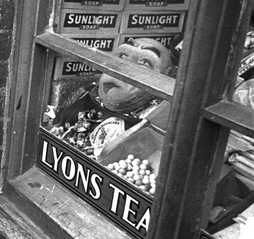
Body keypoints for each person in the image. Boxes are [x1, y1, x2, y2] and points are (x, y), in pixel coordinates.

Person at [46, 38, 176, 159]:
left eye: (144, 64)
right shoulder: (85, 92)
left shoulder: (156, 123)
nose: (123, 68)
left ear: (165, 77)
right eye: (122, 56)